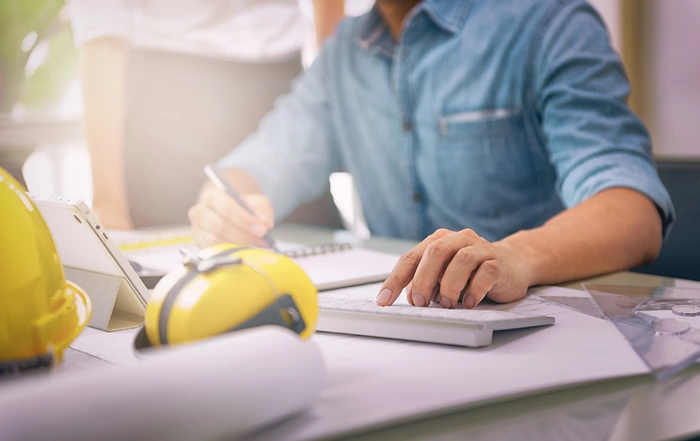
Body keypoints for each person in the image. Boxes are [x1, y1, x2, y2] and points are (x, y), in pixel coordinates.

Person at [188, 0, 675, 310]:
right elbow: (259, 162)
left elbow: (632, 212)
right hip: (399, 338)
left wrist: (514, 256)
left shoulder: (550, 21)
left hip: (534, 337)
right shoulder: (345, 52)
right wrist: (229, 204)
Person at [69, 0, 345, 229]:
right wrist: (109, 206)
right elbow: (100, 29)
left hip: (286, 97)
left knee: (322, 263)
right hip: (170, 111)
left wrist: (344, 94)